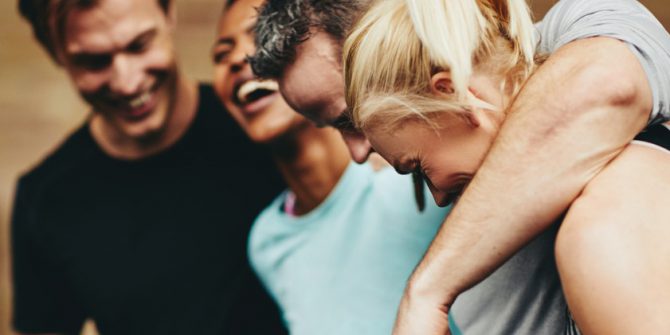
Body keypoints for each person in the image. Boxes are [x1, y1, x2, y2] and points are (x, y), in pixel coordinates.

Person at [343, 0, 670, 334]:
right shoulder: (480, 277)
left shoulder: (608, 223)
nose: (438, 198)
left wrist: (426, 293)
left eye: (418, 167)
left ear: (453, 96)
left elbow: (607, 81)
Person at [12, 0, 286, 334]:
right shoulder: (44, 200)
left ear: (169, 13)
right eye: (94, 62)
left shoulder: (269, 131)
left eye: (139, 45)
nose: (127, 83)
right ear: (56, 54)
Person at [212, 0, 456, 334]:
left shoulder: (419, 174)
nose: (240, 59)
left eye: (259, 36)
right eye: (220, 54)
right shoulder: (268, 241)